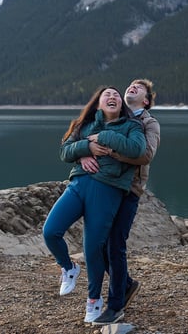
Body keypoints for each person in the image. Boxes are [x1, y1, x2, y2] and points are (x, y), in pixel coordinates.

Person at [42, 86, 147, 323]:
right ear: (98, 103)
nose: (112, 97)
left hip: (107, 190)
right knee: (50, 231)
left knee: (93, 249)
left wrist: (103, 137)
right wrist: (86, 148)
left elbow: (138, 150)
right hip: (78, 185)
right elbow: (63, 151)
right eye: (107, 94)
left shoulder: (132, 126)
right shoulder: (85, 125)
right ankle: (68, 268)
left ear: (121, 105)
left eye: (116, 95)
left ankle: (94, 301)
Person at [81, 79, 160, 325]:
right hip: (106, 186)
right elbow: (82, 137)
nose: (131, 87)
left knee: (115, 244)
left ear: (146, 100)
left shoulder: (149, 123)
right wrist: (85, 151)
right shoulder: (115, 115)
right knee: (99, 243)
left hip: (129, 191)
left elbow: (145, 155)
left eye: (139, 88)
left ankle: (116, 306)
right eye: (130, 85)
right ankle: (126, 284)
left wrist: (109, 149)